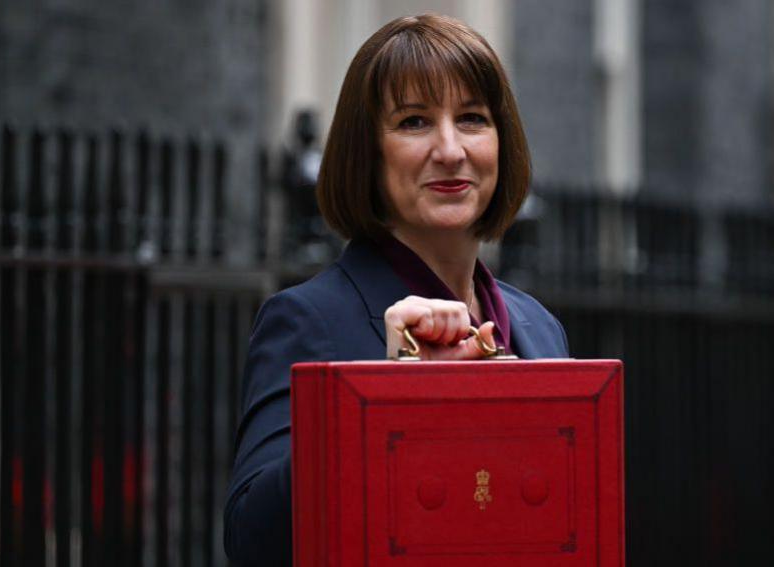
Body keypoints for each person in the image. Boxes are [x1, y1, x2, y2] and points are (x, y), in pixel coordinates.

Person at [224, 13, 569, 566]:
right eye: (414, 122)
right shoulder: (307, 320)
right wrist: (388, 393)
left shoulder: (540, 329)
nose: (451, 149)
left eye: (473, 119)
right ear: (368, 154)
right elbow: (253, 541)